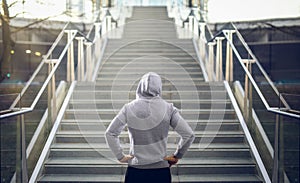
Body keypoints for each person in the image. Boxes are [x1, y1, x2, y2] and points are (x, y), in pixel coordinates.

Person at [105, 72, 195, 183]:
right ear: (159, 87)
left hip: (135, 171)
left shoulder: (128, 108)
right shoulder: (169, 108)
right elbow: (189, 134)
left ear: (140, 87)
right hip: (161, 171)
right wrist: (177, 156)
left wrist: (120, 156)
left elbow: (110, 133)